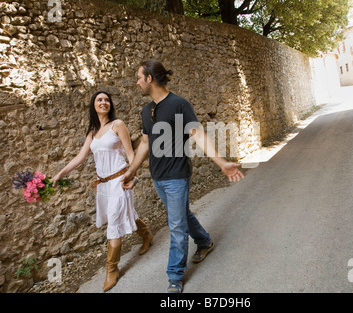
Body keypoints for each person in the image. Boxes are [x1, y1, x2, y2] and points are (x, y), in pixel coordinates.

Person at [122, 59, 244, 293]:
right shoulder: (147, 110)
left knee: (176, 225)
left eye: (139, 77)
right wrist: (131, 170)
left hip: (177, 175)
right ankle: (204, 241)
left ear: (150, 78)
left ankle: (174, 276)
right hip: (158, 176)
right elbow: (145, 143)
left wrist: (221, 162)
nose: (136, 81)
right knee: (182, 215)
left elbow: (198, 135)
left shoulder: (179, 104)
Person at [51, 91, 153, 292]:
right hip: (103, 185)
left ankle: (111, 269)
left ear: (110, 105)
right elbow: (80, 157)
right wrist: (59, 175)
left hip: (120, 180)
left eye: (107, 100)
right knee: (125, 214)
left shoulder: (118, 125)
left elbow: (131, 154)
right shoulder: (92, 132)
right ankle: (146, 234)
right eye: (100, 100)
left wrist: (135, 177)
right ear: (94, 105)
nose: (104, 102)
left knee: (115, 221)